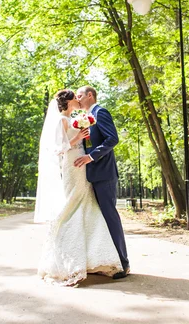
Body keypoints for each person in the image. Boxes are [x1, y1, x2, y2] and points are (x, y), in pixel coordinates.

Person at [36, 89, 122, 286]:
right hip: (73, 164)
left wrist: (85, 137)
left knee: (88, 204)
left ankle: (94, 258)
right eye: (74, 97)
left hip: (84, 164)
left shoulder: (77, 118)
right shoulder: (60, 120)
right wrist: (76, 139)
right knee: (74, 203)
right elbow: (57, 149)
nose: (77, 99)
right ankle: (68, 257)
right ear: (67, 102)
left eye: (79, 96)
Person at [74, 86, 130, 279]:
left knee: (110, 216)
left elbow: (112, 139)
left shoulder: (101, 112)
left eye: (79, 95)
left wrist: (91, 157)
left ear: (90, 95)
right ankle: (106, 261)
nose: (77, 99)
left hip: (104, 173)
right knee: (97, 218)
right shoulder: (85, 117)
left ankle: (123, 263)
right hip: (90, 175)